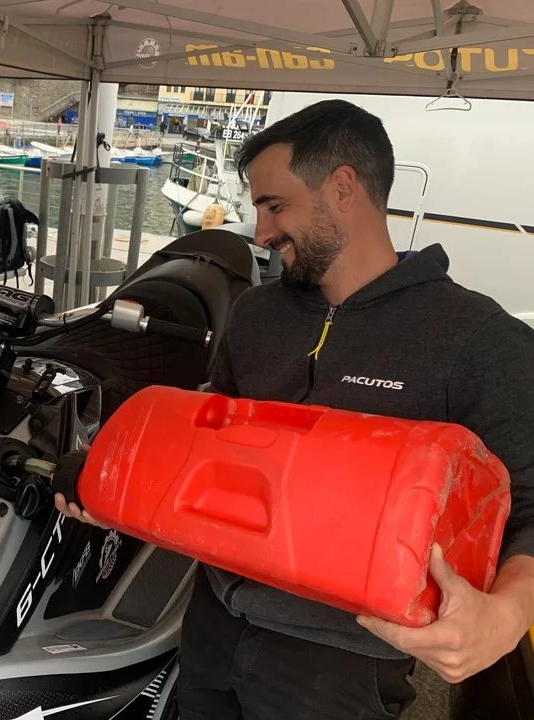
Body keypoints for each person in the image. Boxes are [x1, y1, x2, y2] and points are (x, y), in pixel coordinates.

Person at [55, 98, 534, 719]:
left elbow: (528, 501)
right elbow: (209, 439)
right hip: (213, 619)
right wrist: (105, 472)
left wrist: (507, 613)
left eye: (274, 206)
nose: (260, 234)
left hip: (339, 662)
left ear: (343, 188)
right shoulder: (256, 314)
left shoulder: (478, 339)